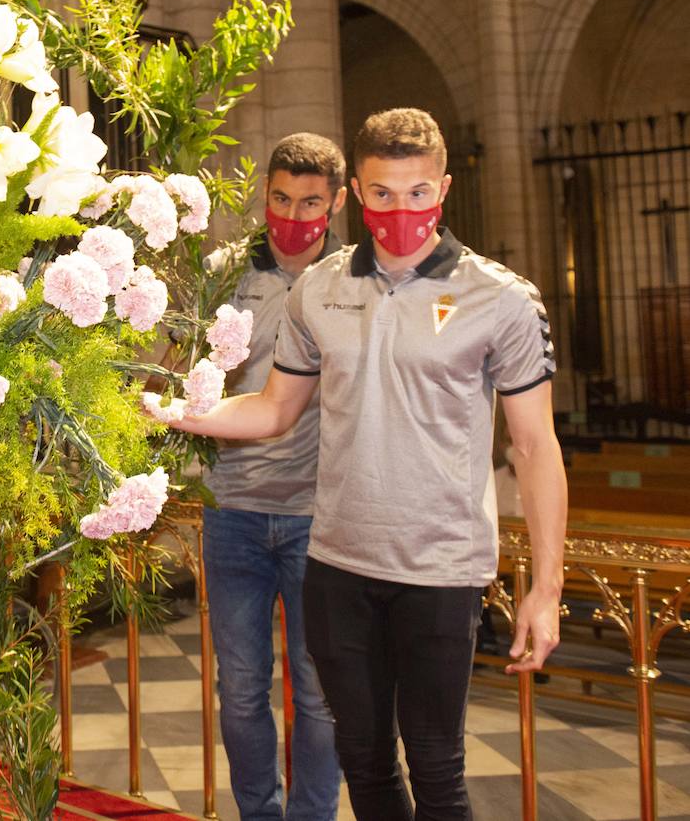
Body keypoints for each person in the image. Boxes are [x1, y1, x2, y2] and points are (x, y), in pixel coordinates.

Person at [170, 108, 566, 820]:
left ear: (442, 188)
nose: (400, 210)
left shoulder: (499, 297)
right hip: (339, 561)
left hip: (439, 566)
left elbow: (535, 447)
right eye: (383, 193)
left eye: (418, 193)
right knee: (366, 763)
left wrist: (546, 584)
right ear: (360, 188)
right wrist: (174, 410)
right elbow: (273, 408)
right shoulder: (317, 288)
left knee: (437, 768)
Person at [203, 133, 345, 820]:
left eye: (311, 201)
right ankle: (260, 814)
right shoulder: (224, 273)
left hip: (322, 517)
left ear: (337, 201)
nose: (293, 215)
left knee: (320, 693)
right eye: (281, 199)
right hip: (232, 509)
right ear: (265, 196)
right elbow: (186, 368)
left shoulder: (354, 279)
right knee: (240, 690)